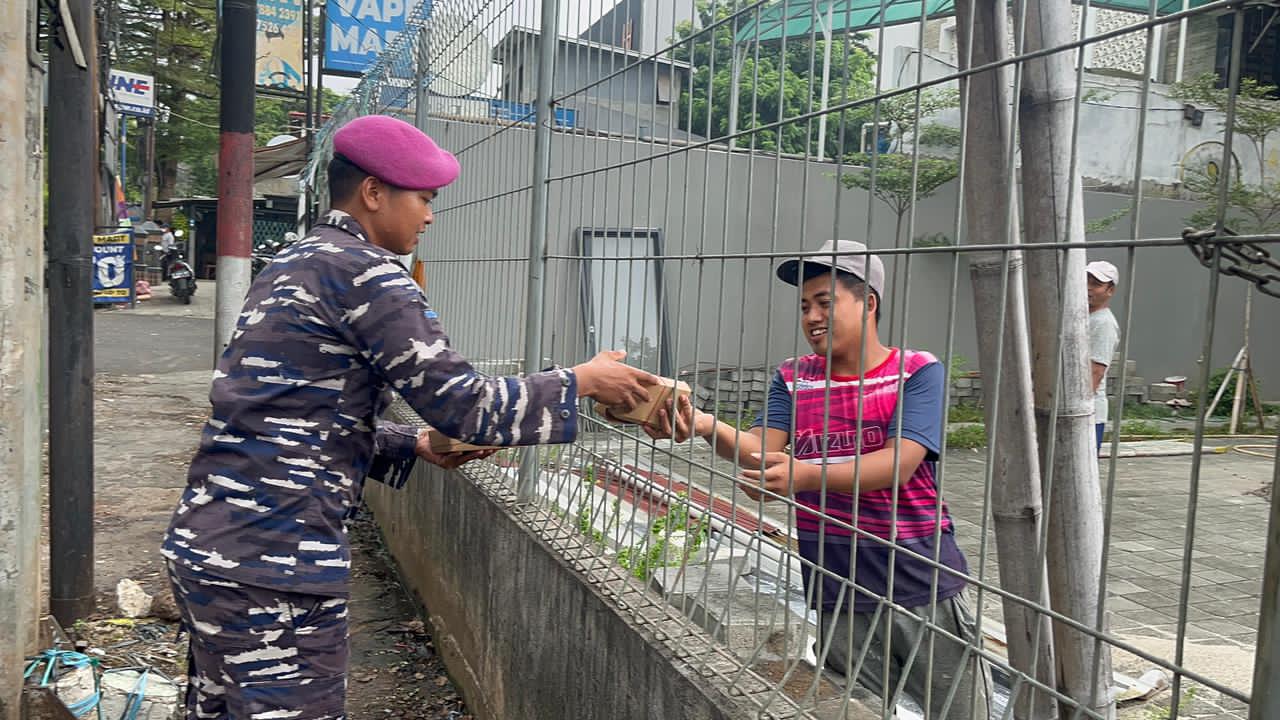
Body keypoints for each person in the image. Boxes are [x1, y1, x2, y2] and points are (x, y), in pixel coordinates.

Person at [160, 114, 657, 720]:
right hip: (276, 563)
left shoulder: (293, 263)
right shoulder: (367, 274)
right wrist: (580, 381)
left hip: (210, 547)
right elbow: (467, 405)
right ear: (374, 192)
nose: (429, 215)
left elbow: (285, 419)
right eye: (423, 198)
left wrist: (413, 443)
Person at [648, 240, 989, 718]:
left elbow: (899, 464)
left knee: (960, 711)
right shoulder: (794, 378)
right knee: (855, 710)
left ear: (868, 302)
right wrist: (705, 426)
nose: (811, 317)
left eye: (826, 303)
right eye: (805, 306)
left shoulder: (914, 371)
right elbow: (761, 451)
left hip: (919, 580)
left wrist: (803, 474)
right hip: (836, 584)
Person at [1087, 260, 1121, 453]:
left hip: (1087, 413)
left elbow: (1096, 372)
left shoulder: (1103, 323)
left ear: (1110, 290)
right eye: (1085, 281)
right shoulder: (1081, 316)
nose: (1088, 288)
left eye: (1096, 284)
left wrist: (1077, 409)